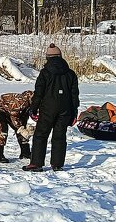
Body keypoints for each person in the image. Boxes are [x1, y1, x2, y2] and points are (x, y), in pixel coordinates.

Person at [24, 43, 80, 172]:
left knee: (41, 135)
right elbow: (74, 95)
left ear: (48, 57)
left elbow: (39, 92)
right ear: (60, 56)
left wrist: (33, 108)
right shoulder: (71, 74)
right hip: (65, 109)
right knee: (60, 136)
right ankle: (57, 164)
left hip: (48, 108)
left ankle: (36, 163)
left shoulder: (44, 73)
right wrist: (74, 113)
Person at [0, 90, 34, 162]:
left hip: (12, 110)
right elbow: (14, 117)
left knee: (22, 128)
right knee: (3, 129)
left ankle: (25, 152)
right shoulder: (20, 102)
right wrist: (21, 129)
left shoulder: (32, 102)